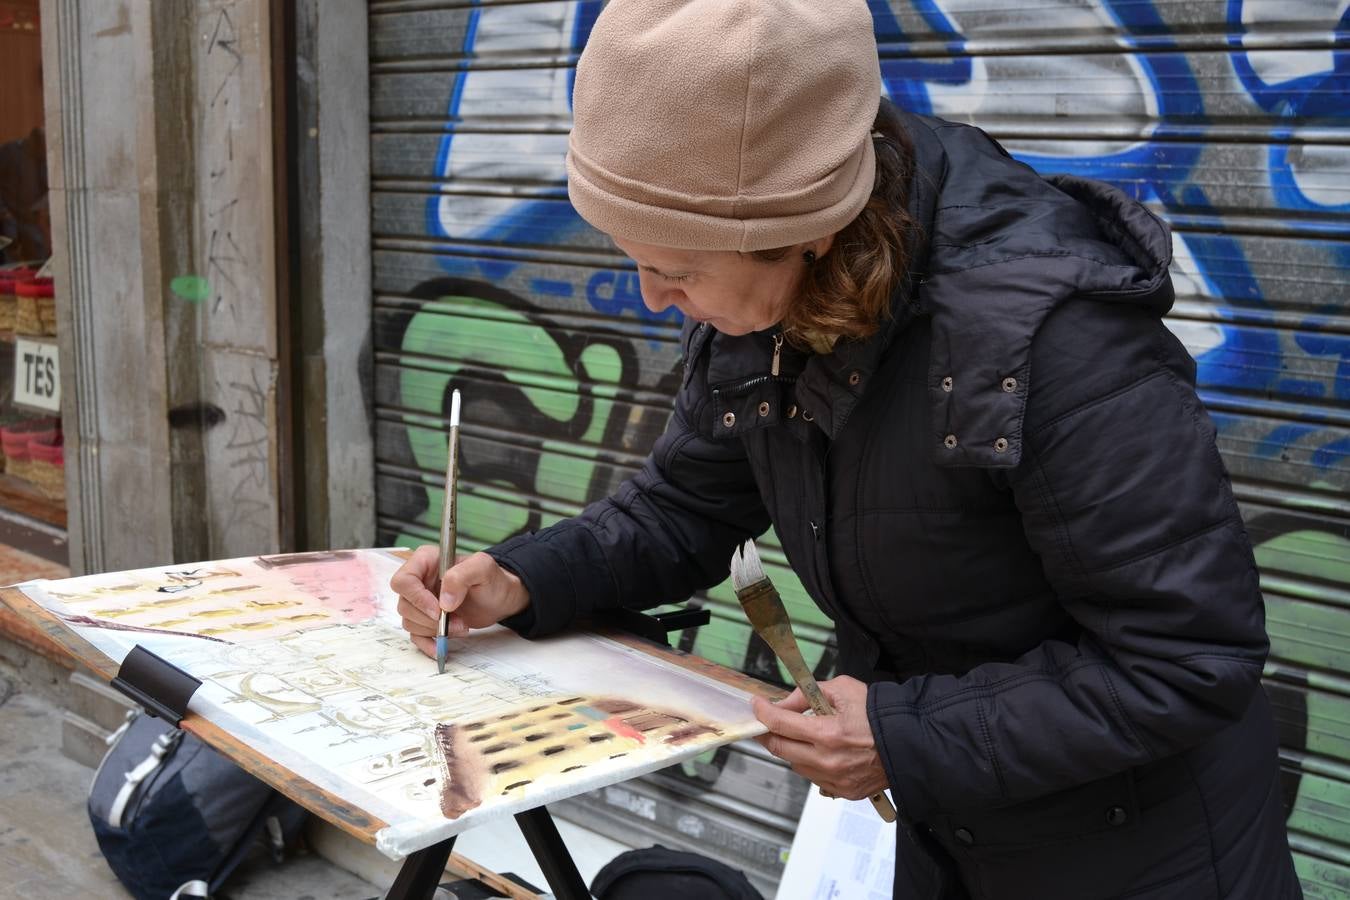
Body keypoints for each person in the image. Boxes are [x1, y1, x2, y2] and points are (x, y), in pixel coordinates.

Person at [391, 1, 1301, 896]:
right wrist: (520, 580)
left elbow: (1187, 660)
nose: (653, 298)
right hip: (956, 830)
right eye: (636, 257)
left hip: (1141, 857)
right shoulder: (764, 297)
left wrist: (904, 735)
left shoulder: (1058, 344)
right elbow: (684, 506)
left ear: (812, 233)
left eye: (677, 269)